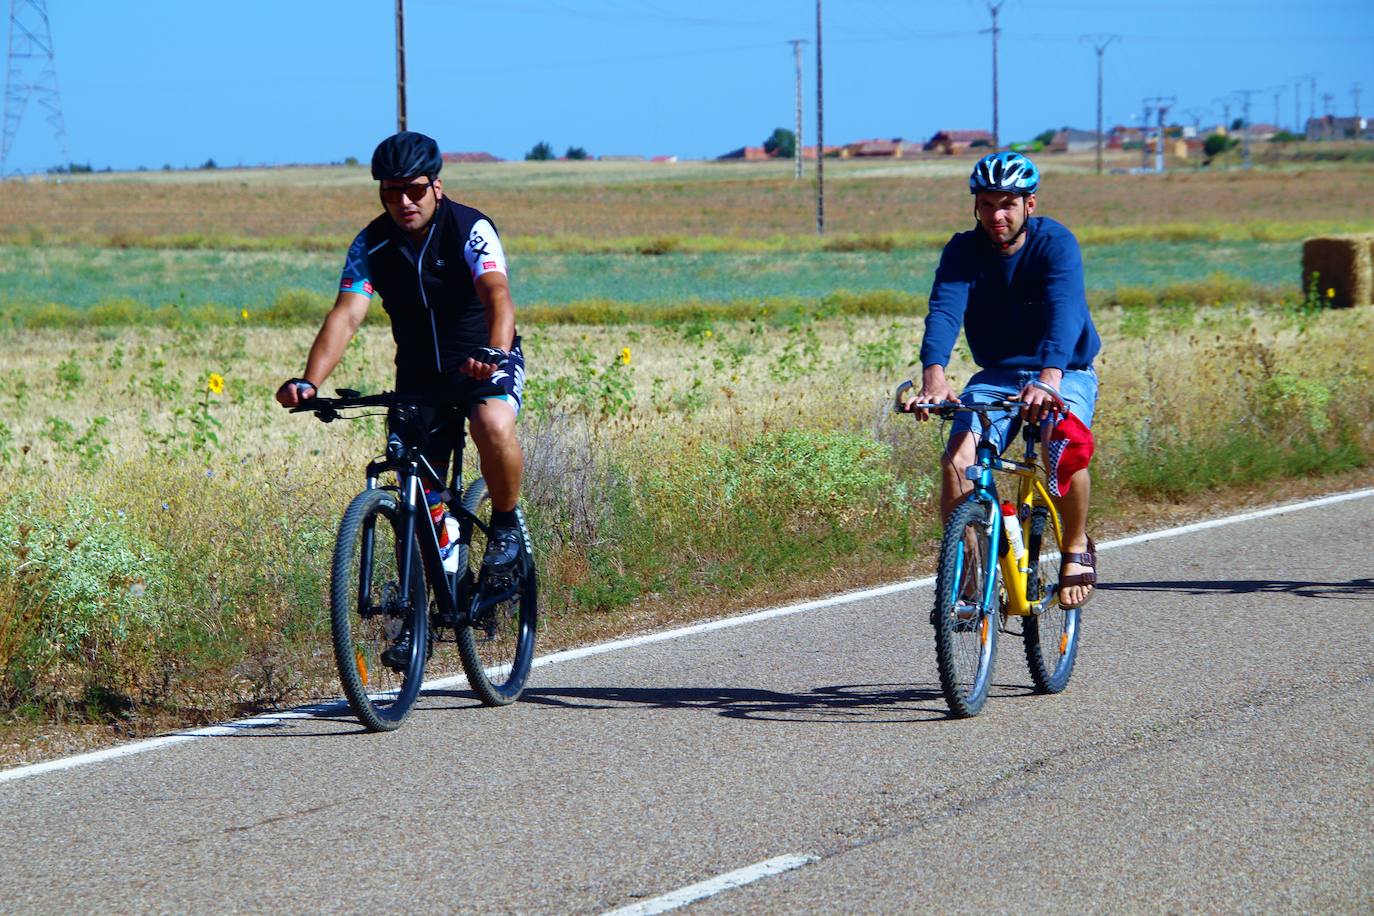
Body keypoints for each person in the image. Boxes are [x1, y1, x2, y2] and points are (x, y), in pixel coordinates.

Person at [276, 130, 527, 614]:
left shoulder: (470, 228)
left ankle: (505, 526)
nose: (403, 202)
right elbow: (347, 314)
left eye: (414, 189)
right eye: (390, 192)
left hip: (482, 359)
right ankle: (415, 613)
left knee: (491, 423)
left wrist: (494, 353)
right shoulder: (371, 243)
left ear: (436, 185)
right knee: (413, 488)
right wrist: (310, 381)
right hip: (417, 376)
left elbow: (498, 296)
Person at [902, 151, 1101, 608]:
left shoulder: (1055, 243)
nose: (997, 215)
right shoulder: (962, 250)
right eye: (988, 204)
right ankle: (969, 577)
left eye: (1008, 204)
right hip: (997, 374)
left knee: (1059, 443)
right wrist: (934, 377)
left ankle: (1074, 546)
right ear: (976, 206)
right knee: (958, 459)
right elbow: (945, 310)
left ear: (1029, 204)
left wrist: (1049, 378)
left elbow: (1064, 313)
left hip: (1064, 368)